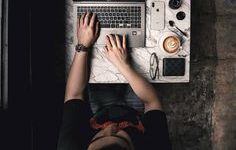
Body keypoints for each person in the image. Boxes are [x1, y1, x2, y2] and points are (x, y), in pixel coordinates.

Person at [57, 13, 171, 150]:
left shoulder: (70, 147)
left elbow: (74, 95)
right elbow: (152, 101)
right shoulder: (156, 147)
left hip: (101, 110)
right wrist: (124, 65)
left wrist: (82, 45)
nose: (111, 127)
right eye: (121, 136)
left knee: (97, 69)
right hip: (136, 112)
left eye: (99, 137)